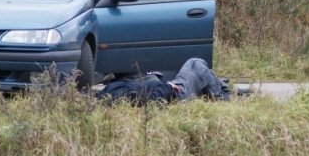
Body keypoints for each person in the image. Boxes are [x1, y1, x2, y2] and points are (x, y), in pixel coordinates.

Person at [96, 58, 237, 104]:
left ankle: (220, 85)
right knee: (196, 64)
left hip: (167, 85)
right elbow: (148, 98)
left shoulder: (112, 87)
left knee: (195, 66)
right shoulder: (122, 91)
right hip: (175, 93)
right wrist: (168, 87)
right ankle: (222, 96)